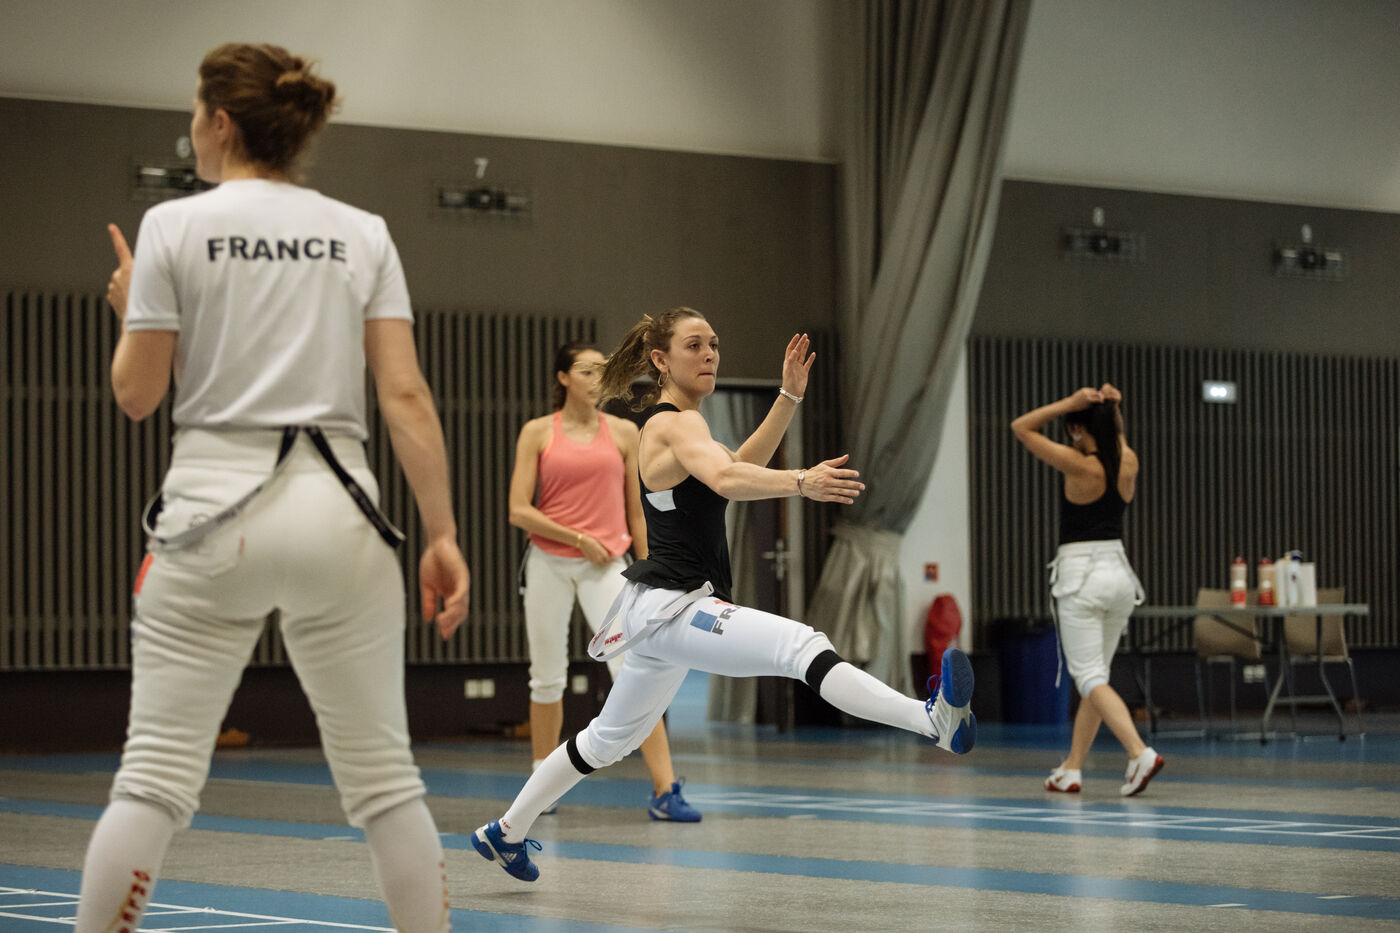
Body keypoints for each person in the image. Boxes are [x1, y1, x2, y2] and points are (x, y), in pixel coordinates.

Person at [77, 43, 468, 933]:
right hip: (344, 516)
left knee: (151, 781)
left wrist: (134, 309)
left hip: (210, 520)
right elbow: (405, 396)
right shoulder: (363, 231)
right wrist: (442, 533)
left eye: (193, 113)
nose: (191, 128)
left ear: (220, 122)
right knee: (387, 784)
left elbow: (136, 395)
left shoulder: (173, 227)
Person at [472, 307, 976, 883]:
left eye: (713, 343)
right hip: (676, 608)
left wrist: (787, 397)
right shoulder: (675, 425)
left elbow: (734, 466)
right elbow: (730, 480)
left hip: (654, 612)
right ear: (661, 360)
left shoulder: (678, 427)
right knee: (801, 646)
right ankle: (932, 721)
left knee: (605, 741)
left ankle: (505, 831)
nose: (710, 353)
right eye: (694, 345)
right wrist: (802, 481)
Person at [507, 341, 699, 821]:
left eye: (602, 371)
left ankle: (665, 790)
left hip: (607, 564)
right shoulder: (537, 432)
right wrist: (576, 537)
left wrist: (653, 571)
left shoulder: (624, 433)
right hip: (549, 563)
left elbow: (637, 510)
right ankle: (541, 786)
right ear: (563, 378)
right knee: (547, 677)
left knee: (638, 671)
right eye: (586, 371)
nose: (597, 379)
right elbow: (519, 510)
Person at [1010, 384, 1163, 797]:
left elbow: (1021, 427)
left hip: (1082, 578)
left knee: (1090, 677)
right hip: (1120, 575)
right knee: (1097, 679)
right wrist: (1114, 406)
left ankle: (1139, 752)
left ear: (1077, 429)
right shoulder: (1128, 460)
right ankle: (1072, 767)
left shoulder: (1078, 465)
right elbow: (1116, 435)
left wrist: (1070, 403)